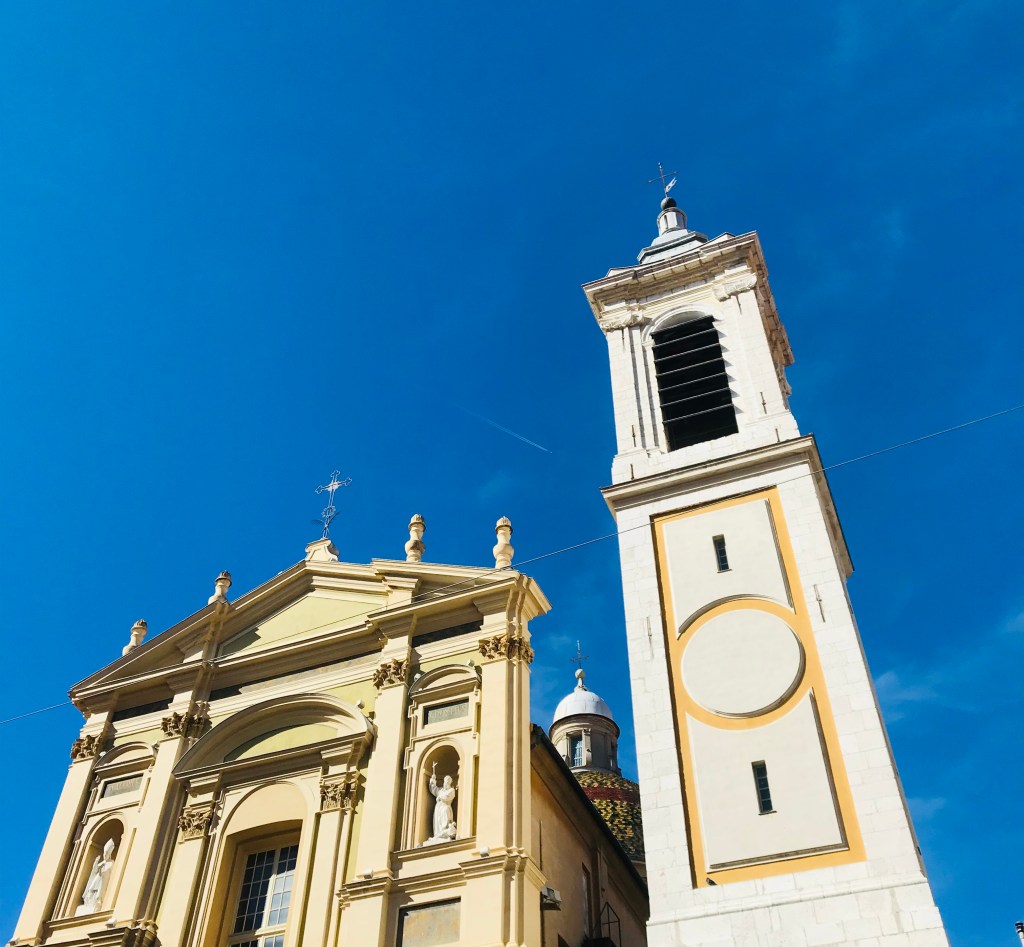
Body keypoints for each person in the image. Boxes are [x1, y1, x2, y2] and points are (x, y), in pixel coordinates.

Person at [427, 762, 457, 842]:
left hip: (445, 807)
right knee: (438, 823)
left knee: (445, 815)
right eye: (445, 781)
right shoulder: (441, 790)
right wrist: (433, 780)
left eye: (447, 782)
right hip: (438, 808)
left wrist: (440, 797)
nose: (446, 783)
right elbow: (433, 789)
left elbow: (448, 797)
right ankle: (438, 835)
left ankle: (445, 833)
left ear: (450, 783)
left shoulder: (451, 790)